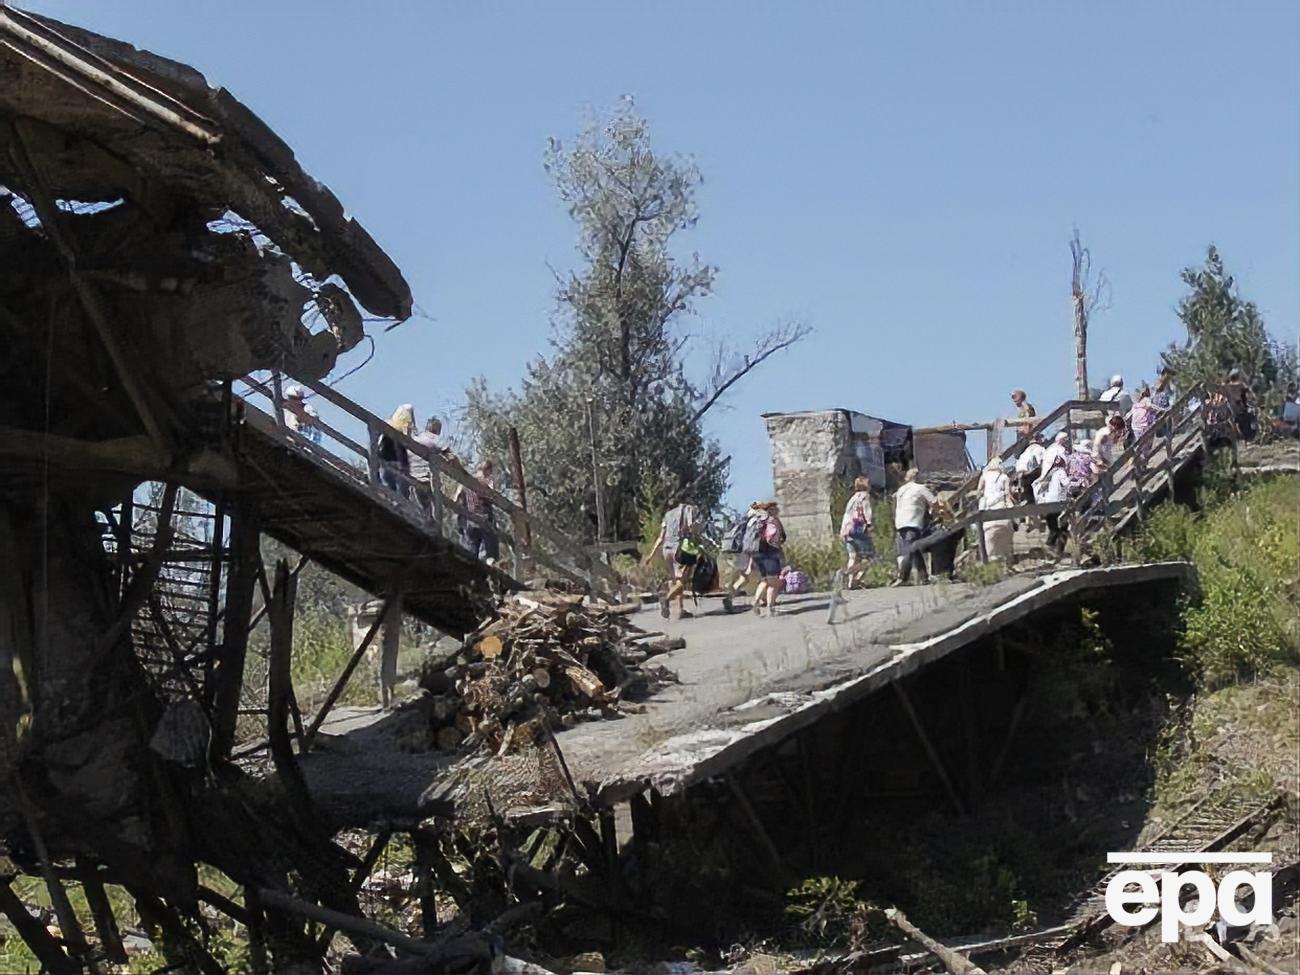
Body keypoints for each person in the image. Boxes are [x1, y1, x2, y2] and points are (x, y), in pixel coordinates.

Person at [646, 500, 701, 619]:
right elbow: (692, 526)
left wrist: (651, 555)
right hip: (679, 549)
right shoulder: (688, 509)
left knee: (676, 580)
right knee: (682, 581)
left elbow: (661, 537)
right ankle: (666, 600)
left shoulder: (668, 515)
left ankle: (680, 610)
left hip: (666, 549)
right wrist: (697, 537)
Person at [891, 469, 937, 587]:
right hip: (913, 520)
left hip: (900, 522)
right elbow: (934, 502)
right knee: (911, 549)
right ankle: (903, 577)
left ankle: (924, 578)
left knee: (914, 549)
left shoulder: (901, 490)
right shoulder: (920, 488)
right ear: (918, 477)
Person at [457, 460, 500, 563]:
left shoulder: (466, 481)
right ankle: (489, 561)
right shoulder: (488, 482)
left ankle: (471, 566)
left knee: (471, 549)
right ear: (488, 470)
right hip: (484, 518)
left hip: (470, 519)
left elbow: (457, 497)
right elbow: (493, 496)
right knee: (489, 549)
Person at [749, 502, 787, 616]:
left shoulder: (756, 521)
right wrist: (776, 544)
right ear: (771, 510)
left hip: (756, 553)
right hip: (770, 553)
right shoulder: (772, 521)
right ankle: (770, 608)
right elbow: (773, 536)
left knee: (765, 580)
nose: (778, 511)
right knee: (773, 583)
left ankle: (756, 600)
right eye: (776, 509)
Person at [839, 477, 876, 589]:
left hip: (847, 530)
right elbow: (866, 512)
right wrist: (870, 524)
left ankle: (850, 581)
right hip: (859, 529)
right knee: (869, 557)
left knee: (853, 556)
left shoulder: (852, 498)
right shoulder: (865, 496)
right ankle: (856, 578)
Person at [409, 417, 449, 517]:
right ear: (435, 428)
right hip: (427, 480)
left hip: (412, 478)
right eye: (439, 429)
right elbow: (451, 456)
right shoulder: (435, 439)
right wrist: (462, 473)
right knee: (434, 512)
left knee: (420, 511)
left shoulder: (416, 438)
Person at [1033, 452, 1072, 555]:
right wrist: (1075, 481)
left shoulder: (1050, 473)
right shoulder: (1061, 472)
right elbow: (1067, 484)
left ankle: (1051, 546)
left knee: (1053, 526)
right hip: (1058, 502)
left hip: (1047, 502)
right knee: (1063, 526)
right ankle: (1057, 548)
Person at [976, 457, 1013, 561]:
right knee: (1004, 541)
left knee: (989, 540)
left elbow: (978, 492)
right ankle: (1005, 561)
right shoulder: (1005, 477)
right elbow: (1007, 495)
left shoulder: (985, 476)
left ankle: (991, 562)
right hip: (1002, 510)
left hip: (989, 511)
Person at [379, 404, 415, 497]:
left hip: (387, 459)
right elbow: (409, 443)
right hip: (399, 462)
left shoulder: (387, 425)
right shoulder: (406, 428)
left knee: (389, 490)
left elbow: (377, 442)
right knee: (402, 494)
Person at [1223, 368, 1256, 441]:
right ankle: (1250, 437)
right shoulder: (1240, 385)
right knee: (1249, 419)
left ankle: (1245, 438)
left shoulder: (1226, 387)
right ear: (1237, 376)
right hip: (1241, 408)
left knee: (1242, 423)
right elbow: (1250, 393)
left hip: (1233, 410)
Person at [1013, 432, 1046, 503]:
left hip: (1020, 472)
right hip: (1029, 472)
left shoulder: (1027, 450)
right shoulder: (1039, 448)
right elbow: (1041, 462)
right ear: (1039, 439)